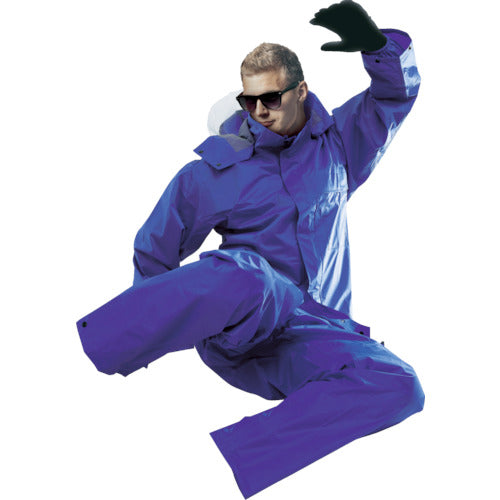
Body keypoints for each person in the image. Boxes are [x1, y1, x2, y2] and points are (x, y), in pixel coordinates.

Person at [76, 1, 425, 497]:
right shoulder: (214, 172)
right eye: (249, 100)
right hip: (242, 327)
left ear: (300, 90)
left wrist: (378, 48)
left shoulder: (337, 147)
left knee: (401, 384)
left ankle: (226, 463)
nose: (259, 111)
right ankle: (101, 346)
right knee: (250, 272)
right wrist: (153, 333)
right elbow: (155, 249)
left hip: (308, 335)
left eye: (272, 98)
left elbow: (393, 98)